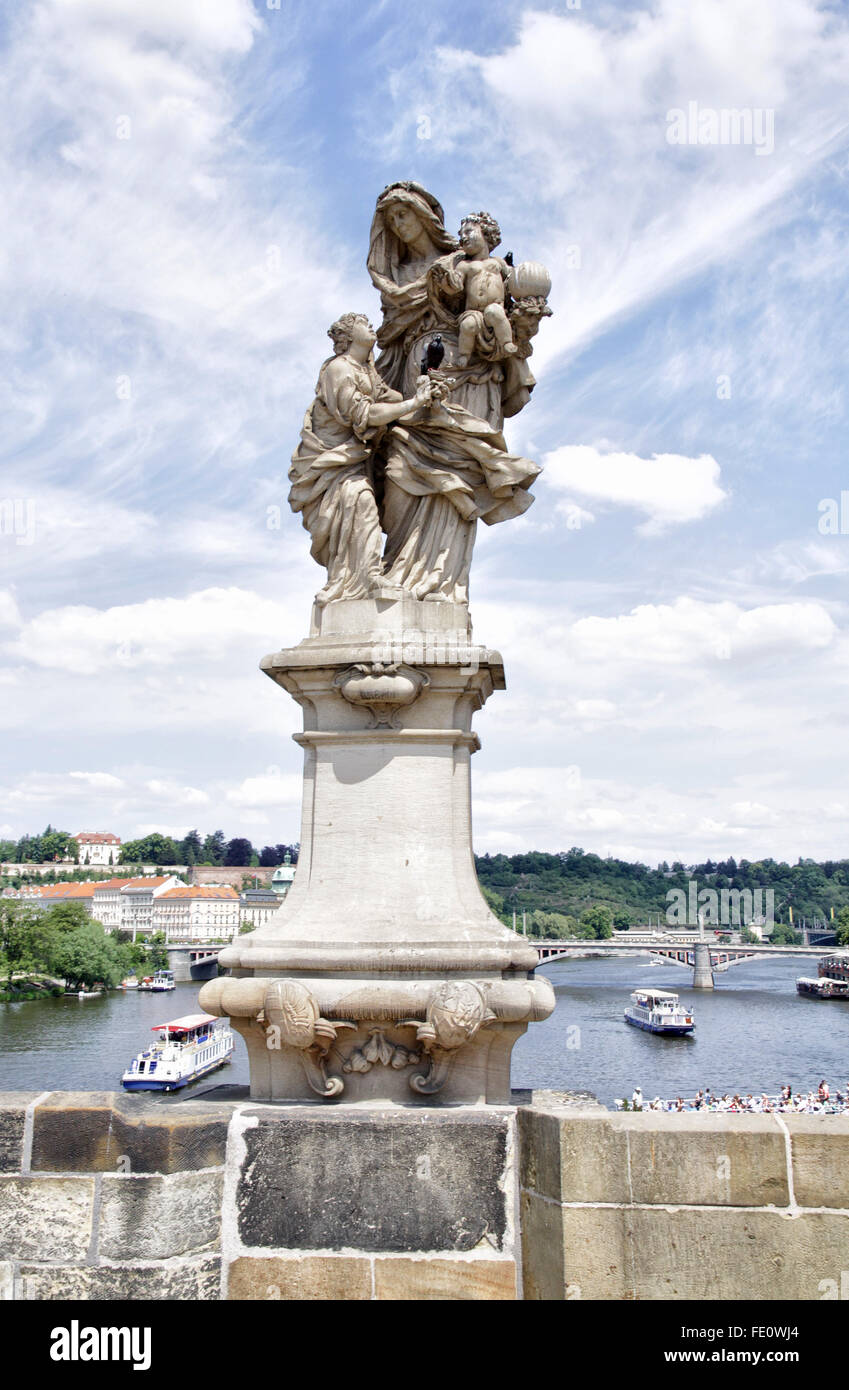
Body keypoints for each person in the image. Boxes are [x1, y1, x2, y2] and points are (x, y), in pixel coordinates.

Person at [288, 313, 436, 604]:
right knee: (361, 502)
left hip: (355, 459)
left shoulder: (366, 370)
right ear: (348, 335)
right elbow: (364, 415)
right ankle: (360, 579)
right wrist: (415, 402)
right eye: (361, 322)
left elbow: (387, 398)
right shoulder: (338, 369)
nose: (369, 324)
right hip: (332, 460)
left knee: (360, 508)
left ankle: (358, 578)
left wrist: (423, 391)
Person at [431, 213, 517, 367]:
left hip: (495, 306)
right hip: (473, 311)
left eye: (468, 232)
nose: (463, 237)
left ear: (486, 232)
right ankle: (464, 355)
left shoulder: (498, 262)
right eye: (460, 235)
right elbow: (456, 286)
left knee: (495, 313)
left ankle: (506, 343)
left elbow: (512, 278)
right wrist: (445, 282)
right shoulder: (464, 265)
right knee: (468, 325)